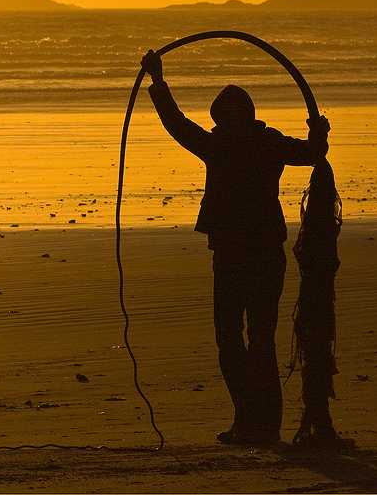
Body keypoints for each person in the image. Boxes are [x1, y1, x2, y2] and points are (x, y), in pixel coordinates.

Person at [141, 49, 331, 446]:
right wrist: (318, 132)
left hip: (243, 253)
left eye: (233, 113)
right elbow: (313, 153)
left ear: (240, 115)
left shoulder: (227, 145)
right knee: (244, 336)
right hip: (246, 253)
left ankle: (256, 423)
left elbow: (177, 124)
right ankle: (256, 422)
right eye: (226, 115)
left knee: (245, 337)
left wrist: (158, 83)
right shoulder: (261, 143)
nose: (230, 120)